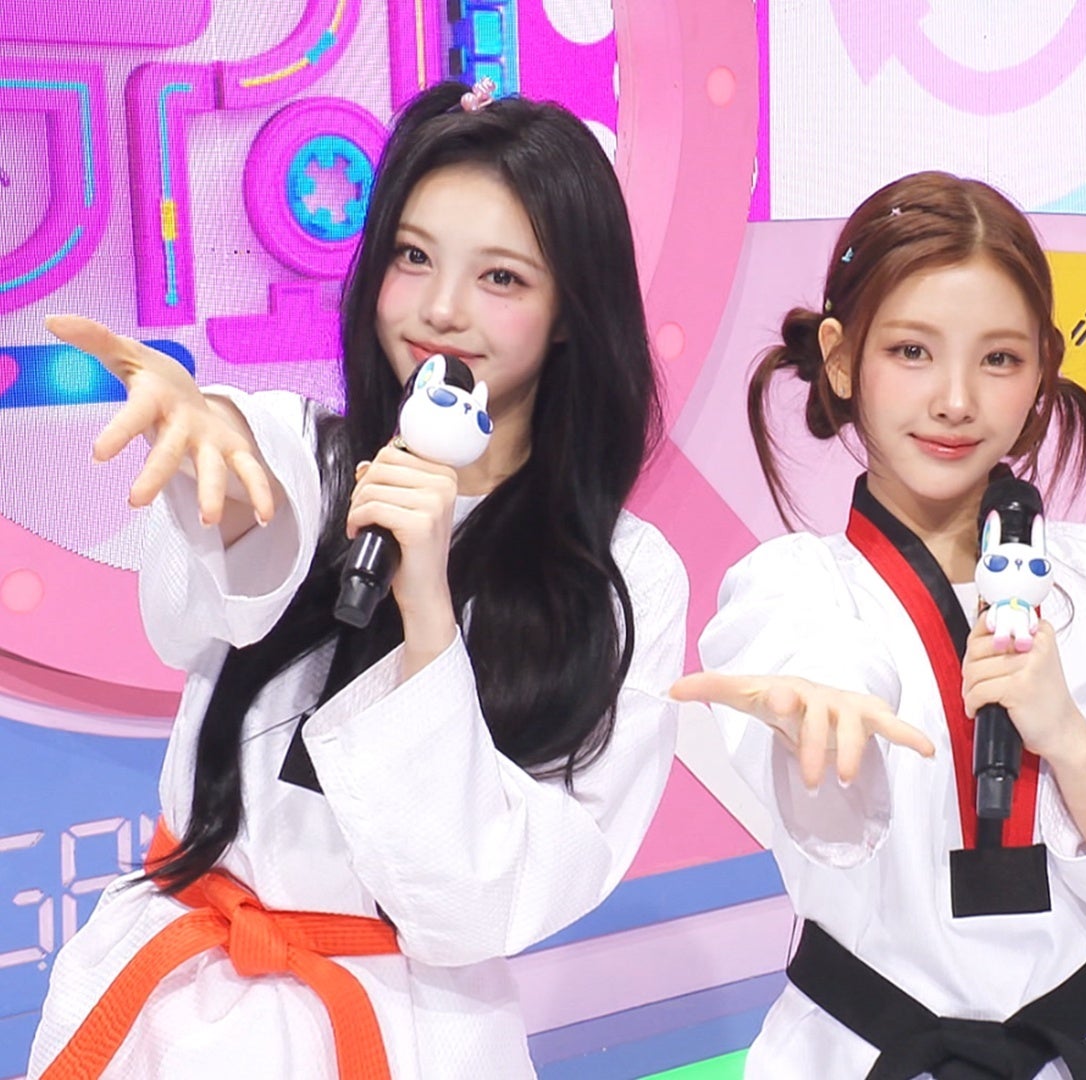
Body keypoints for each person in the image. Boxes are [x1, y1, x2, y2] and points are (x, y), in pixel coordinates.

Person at [31, 79, 687, 1080]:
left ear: (570, 311)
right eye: (412, 256)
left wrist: (428, 610)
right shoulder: (312, 453)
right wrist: (209, 436)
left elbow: (497, 895)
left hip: (409, 1029)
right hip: (175, 1001)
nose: (440, 310)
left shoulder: (624, 578)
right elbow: (254, 493)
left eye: (501, 277)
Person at [674, 170, 1086, 1079]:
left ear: (1042, 369)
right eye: (912, 351)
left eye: (999, 359)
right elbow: (831, 759)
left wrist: (1076, 746)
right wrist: (828, 711)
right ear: (841, 357)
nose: (956, 399)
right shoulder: (787, 591)